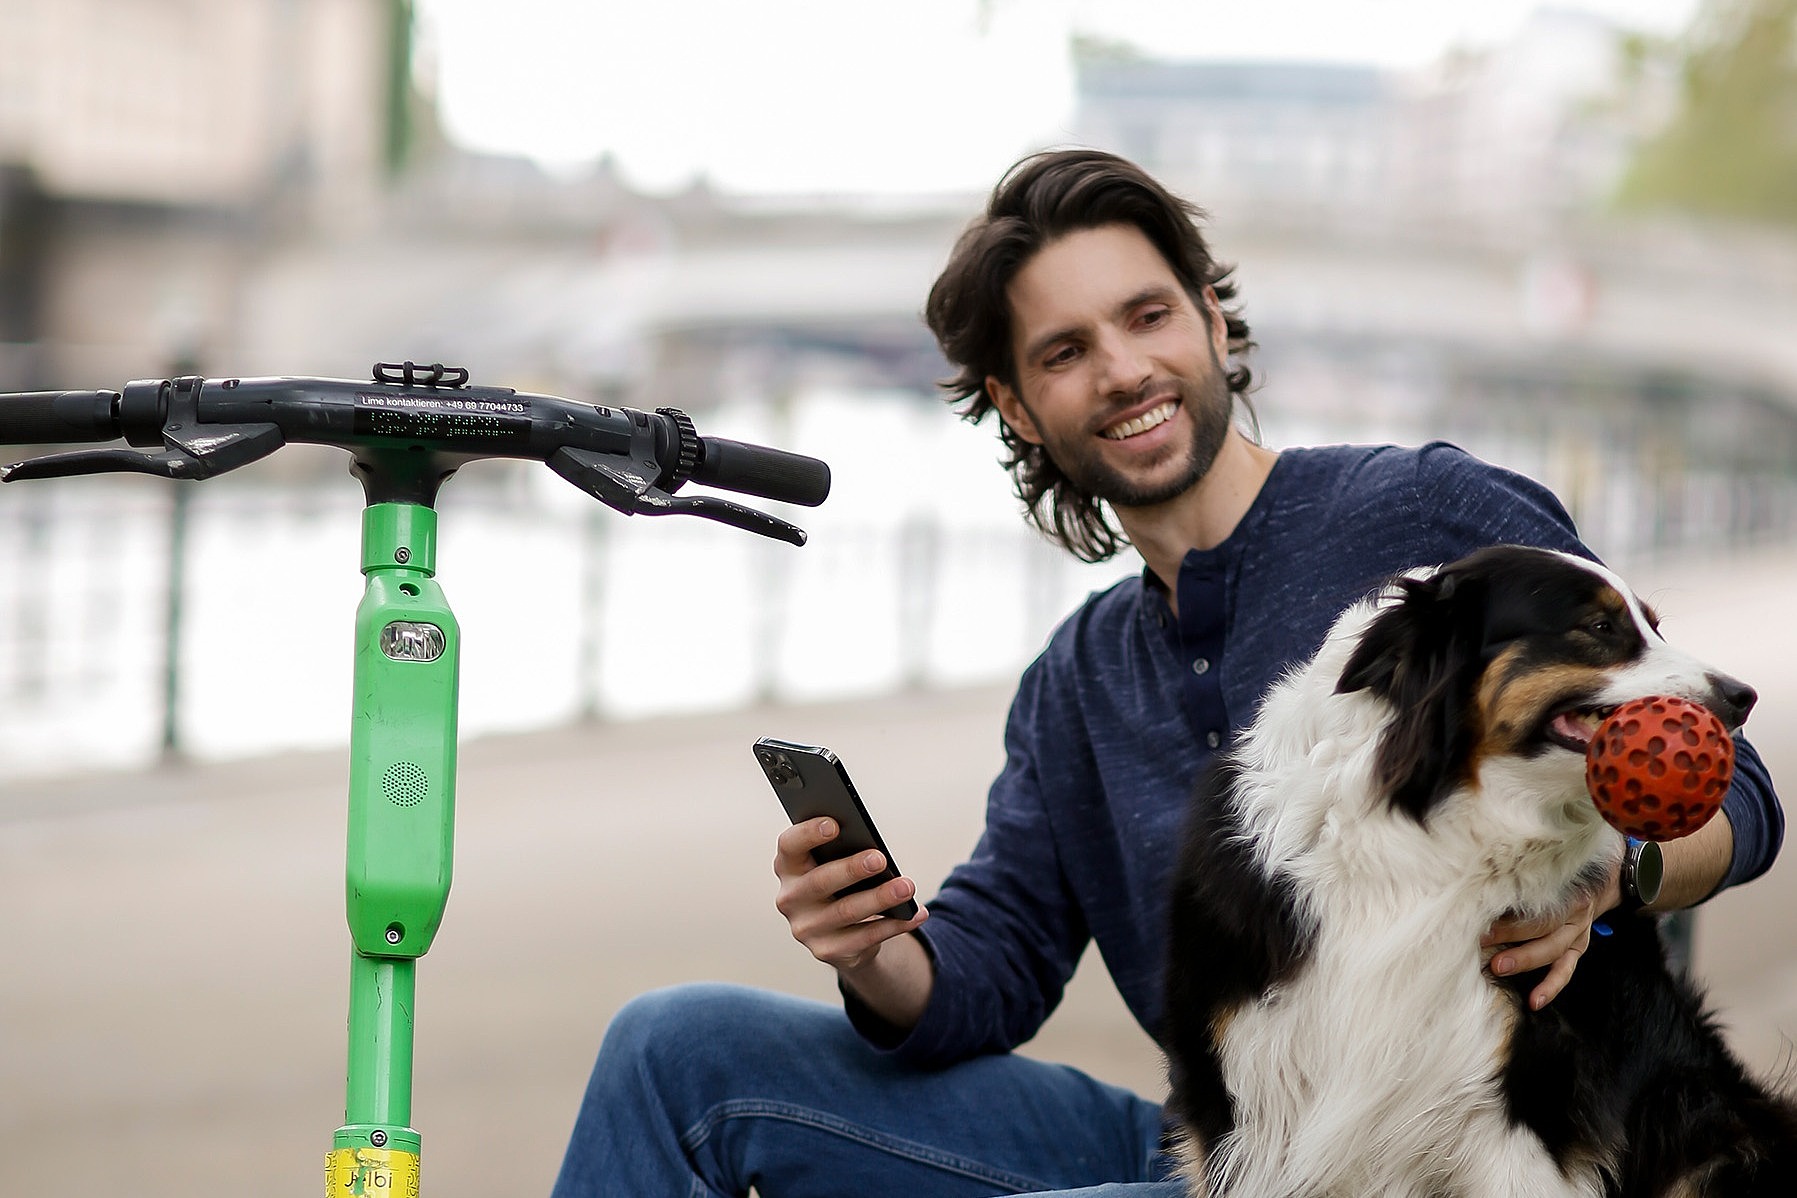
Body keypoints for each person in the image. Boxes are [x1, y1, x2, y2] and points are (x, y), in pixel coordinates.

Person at [551, 149, 1784, 1197]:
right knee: (672, 1049)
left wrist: (1612, 876)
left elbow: (1738, 789)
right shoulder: (1079, 678)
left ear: (1210, 316)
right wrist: (869, 941)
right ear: (1018, 406)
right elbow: (991, 969)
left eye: (1147, 318)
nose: (1125, 370)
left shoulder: (1431, 516)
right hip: (1226, 1149)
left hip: (1482, 1145)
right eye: (1067, 349)